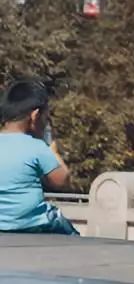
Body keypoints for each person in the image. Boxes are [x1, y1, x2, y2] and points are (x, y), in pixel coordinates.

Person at [0, 80, 77, 235]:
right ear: (35, 116)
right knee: (66, 228)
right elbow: (62, 181)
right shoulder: (37, 147)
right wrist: (52, 150)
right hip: (30, 223)